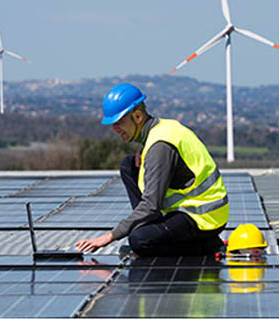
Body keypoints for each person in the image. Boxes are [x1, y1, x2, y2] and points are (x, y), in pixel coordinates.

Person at [75, 83, 229, 256]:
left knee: (140, 240)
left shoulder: (160, 146)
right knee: (128, 165)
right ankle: (150, 227)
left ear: (138, 116)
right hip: (189, 211)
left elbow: (151, 205)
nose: (114, 129)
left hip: (204, 218)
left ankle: (208, 246)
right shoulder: (161, 129)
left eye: (119, 122)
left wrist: (111, 236)